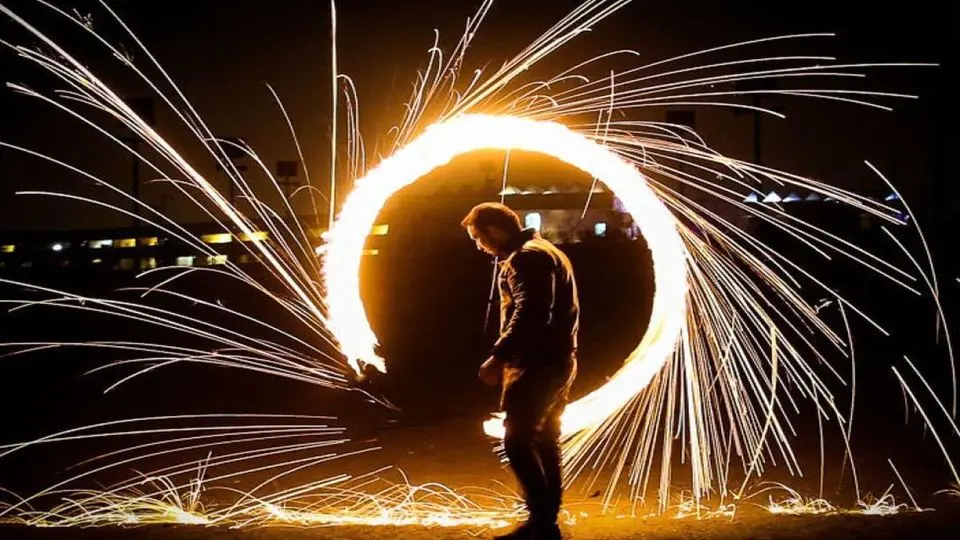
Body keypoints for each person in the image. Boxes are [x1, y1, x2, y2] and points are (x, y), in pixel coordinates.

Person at [462, 202, 579, 540]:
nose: (478, 245)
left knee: (517, 440)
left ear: (494, 231)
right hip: (557, 359)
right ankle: (546, 520)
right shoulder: (546, 251)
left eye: (477, 237)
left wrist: (499, 356)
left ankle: (541, 521)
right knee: (544, 439)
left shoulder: (526, 258)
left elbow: (532, 312)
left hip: (536, 363)